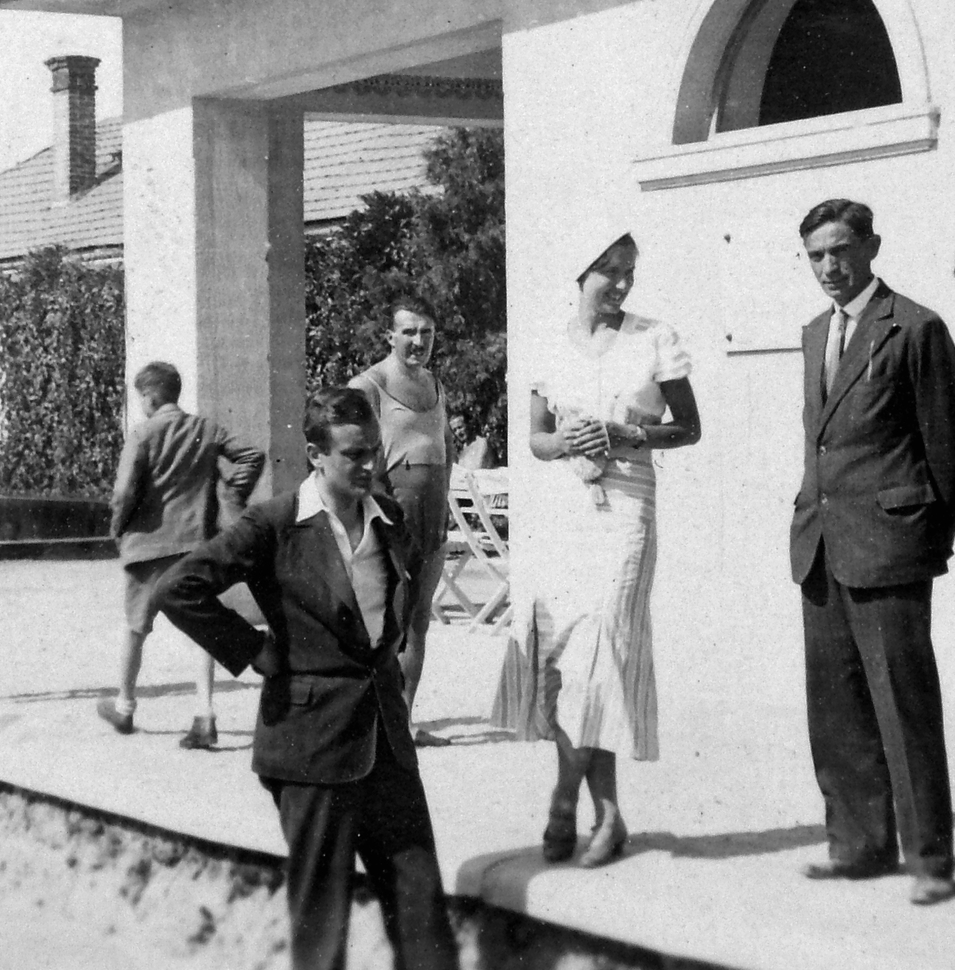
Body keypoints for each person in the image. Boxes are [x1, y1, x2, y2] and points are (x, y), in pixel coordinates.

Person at [156, 388, 457, 970]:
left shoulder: (389, 517)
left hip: (387, 741)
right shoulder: (274, 524)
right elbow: (179, 589)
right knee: (322, 930)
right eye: (353, 454)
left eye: (373, 450)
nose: (369, 464)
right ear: (316, 454)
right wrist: (255, 651)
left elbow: (396, 598)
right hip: (310, 744)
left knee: (422, 913)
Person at [491, 232, 700, 868]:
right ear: (578, 272)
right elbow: (535, 439)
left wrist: (624, 431)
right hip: (562, 512)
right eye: (608, 271)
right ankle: (606, 812)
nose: (620, 284)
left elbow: (688, 428)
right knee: (561, 658)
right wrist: (567, 442)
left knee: (606, 651)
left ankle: (563, 798)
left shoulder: (655, 336)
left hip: (627, 508)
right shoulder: (545, 343)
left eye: (628, 271)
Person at [790, 200, 955, 905]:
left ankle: (932, 860)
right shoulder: (812, 333)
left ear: (871, 246)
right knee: (836, 704)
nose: (831, 266)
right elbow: (822, 440)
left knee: (903, 706)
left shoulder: (914, 327)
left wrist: (937, 536)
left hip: (890, 544)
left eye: (841, 250)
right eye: (817, 255)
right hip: (822, 545)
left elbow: (945, 443)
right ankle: (857, 843)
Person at [98, 361, 265, 748]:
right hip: (194, 544)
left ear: (150, 396)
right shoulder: (206, 429)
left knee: (136, 627)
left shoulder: (142, 434)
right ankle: (205, 716)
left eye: (140, 395)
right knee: (200, 629)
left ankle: (124, 706)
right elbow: (252, 455)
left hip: (147, 547)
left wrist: (117, 527)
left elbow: (123, 493)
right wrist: (234, 492)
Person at [349, 299, 456, 746]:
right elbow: (353, 460)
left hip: (432, 521)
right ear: (389, 336)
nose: (418, 341)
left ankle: (404, 723)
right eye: (409, 332)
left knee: (418, 623)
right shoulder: (369, 385)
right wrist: (382, 521)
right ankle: (371, 723)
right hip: (389, 520)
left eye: (427, 332)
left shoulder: (434, 384)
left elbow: (445, 447)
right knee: (384, 622)